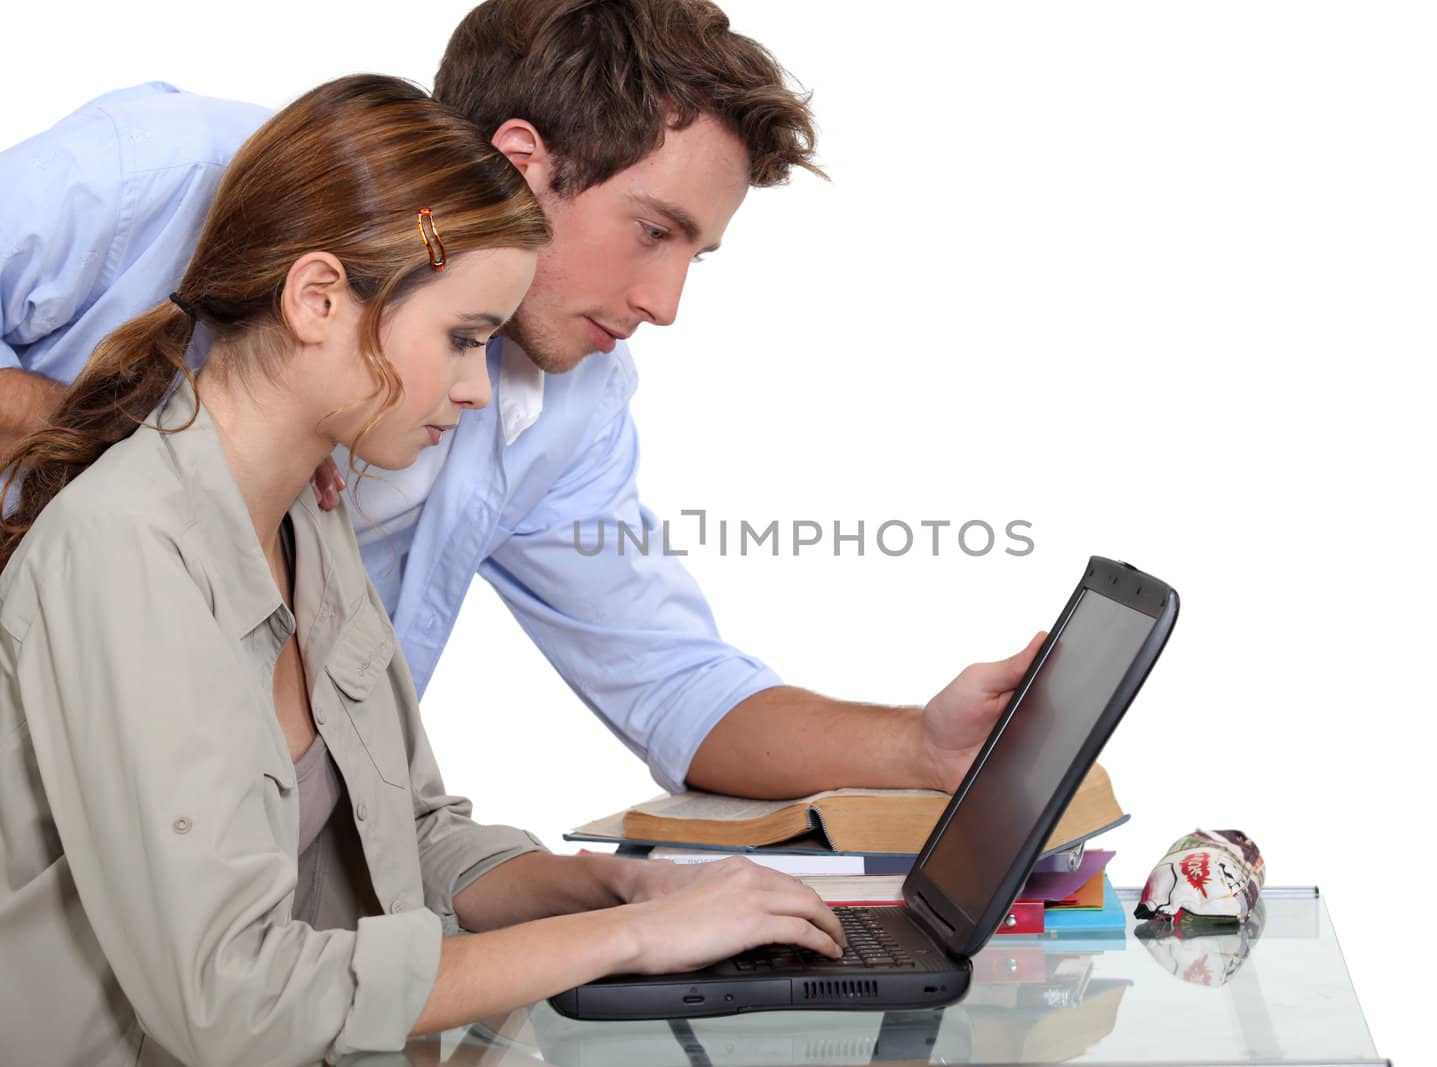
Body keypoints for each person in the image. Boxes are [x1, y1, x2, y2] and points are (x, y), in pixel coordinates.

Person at [0, 74, 855, 1066]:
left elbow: (409, 829)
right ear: (319, 298)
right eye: (462, 341)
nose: (476, 390)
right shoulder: (128, 549)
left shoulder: (309, 519)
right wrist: (624, 939)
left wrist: (619, 887)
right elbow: (232, 1000)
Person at [0, 0, 1044, 803]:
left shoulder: (571, 395)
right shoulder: (157, 173)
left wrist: (919, 746)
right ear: (522, 163)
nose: (667, 303)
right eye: (653, 230)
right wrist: (135, 446)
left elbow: (672, 680)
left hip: (240, 848)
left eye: (698, 254)